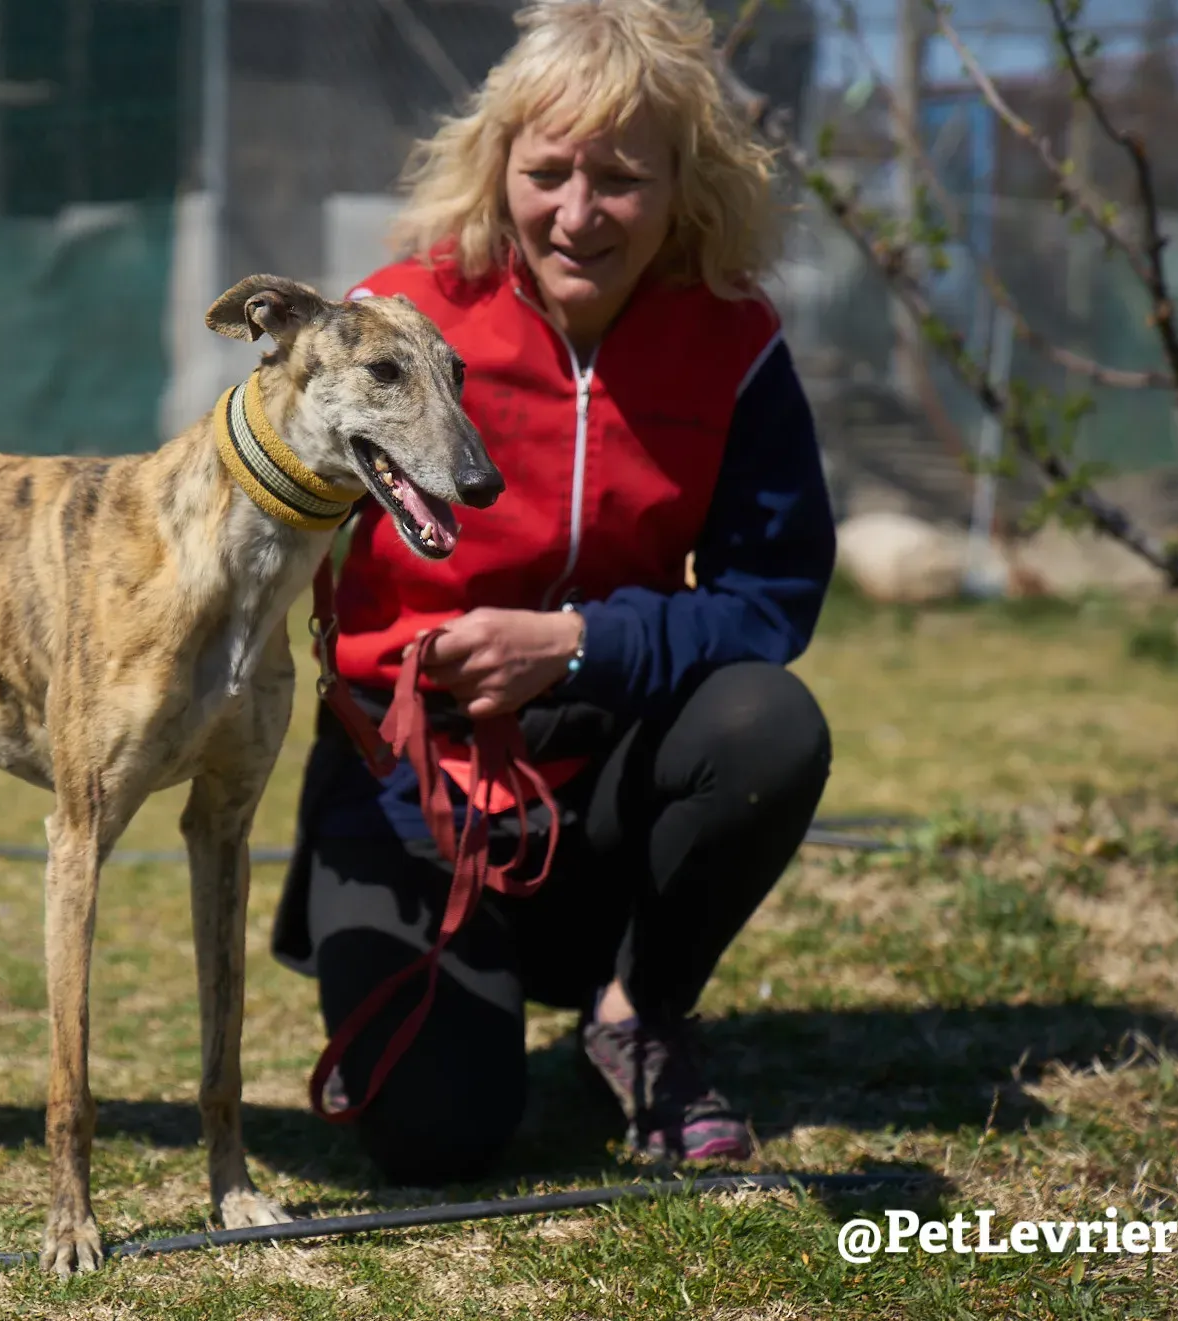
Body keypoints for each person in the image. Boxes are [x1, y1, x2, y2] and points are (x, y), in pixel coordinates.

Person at [269, 0, 838, 1187]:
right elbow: (259, 532)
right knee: (442, 1139)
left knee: (768, 723)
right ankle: (430, 972)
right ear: (497, 167)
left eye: (623, 179)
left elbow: (772, 599)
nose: (577, 215)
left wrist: (576, 642)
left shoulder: (736, 344)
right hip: (410, 793)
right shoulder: (394, 322)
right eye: (547, 173)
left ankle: (639, 1011)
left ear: (689, 184)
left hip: (605, 797)